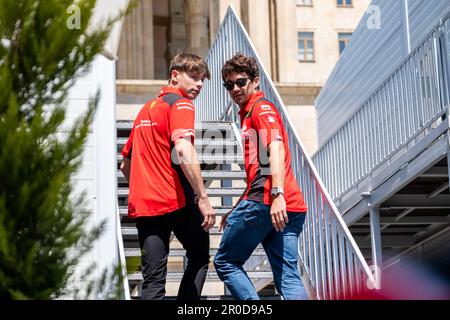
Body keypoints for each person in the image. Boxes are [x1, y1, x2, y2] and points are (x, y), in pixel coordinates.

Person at [120, 53, 215, 300]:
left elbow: (124, 165)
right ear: (175, 76)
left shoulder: (144, 111)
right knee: (199, 256)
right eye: (194, 77)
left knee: (153, 281)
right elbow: (183, 149)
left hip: (146, 207)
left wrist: (144, 187)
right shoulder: (181, 104)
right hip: (174, 201)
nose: (200, 84)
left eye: (202, 79)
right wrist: (202, 196)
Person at [214, 54, 309, 300]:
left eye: (241, 82)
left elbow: (275, 148)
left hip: (270, 202)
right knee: (288, 278)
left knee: (226, 261)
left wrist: (277, 195)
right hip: (286, 204)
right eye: (229, 85)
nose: (235, 89)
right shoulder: (248, 114)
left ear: (255, 81)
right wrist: (236, 206)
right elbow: (262, 167)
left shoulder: (261, 108)